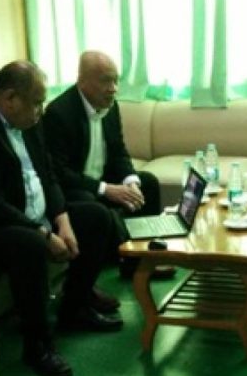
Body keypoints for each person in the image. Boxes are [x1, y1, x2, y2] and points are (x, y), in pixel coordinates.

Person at [0, 60, 121, 376]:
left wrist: (62, 219)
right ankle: (38, 345)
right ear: (10, 98)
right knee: (28, 244)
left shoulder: (26, 119)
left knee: (96, 217)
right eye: (36, 103)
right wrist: (44, 233)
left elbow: (47, 172)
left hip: (23, 215)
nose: (41, 111)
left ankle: (75, 308)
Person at [43, 50, 175, 281]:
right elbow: (59, 173)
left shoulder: (111, 106)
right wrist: (105, 189)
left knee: (148, 183)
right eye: (106, 81)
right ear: (82, 81)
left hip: (102, 180)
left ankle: (146, 257)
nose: (113, 88)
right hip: (75, 189)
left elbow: (118, 151)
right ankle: (127, 261)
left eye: (116, 80)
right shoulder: (59, 113)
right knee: (94, 205)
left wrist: (130, 182)